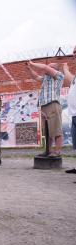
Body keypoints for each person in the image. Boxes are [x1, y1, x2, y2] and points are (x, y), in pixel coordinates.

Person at [27, 60, 65, 157]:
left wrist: (32, 63)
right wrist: (29, 68)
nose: (47, 67)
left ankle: (58, 151)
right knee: (47, 131)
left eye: (50, 67)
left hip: (53, 104)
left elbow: (44, 67)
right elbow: (35, 76)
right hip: (44, 106)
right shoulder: (46, 79)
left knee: (56, 129)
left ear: (55, 69)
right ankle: (48, 151)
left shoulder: (59, 76)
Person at [63, 46, 76, 174]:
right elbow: (71, 79)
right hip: (74, 115)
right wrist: (66, 70)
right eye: (73, 52)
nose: (73, 54)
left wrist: (66, 70)